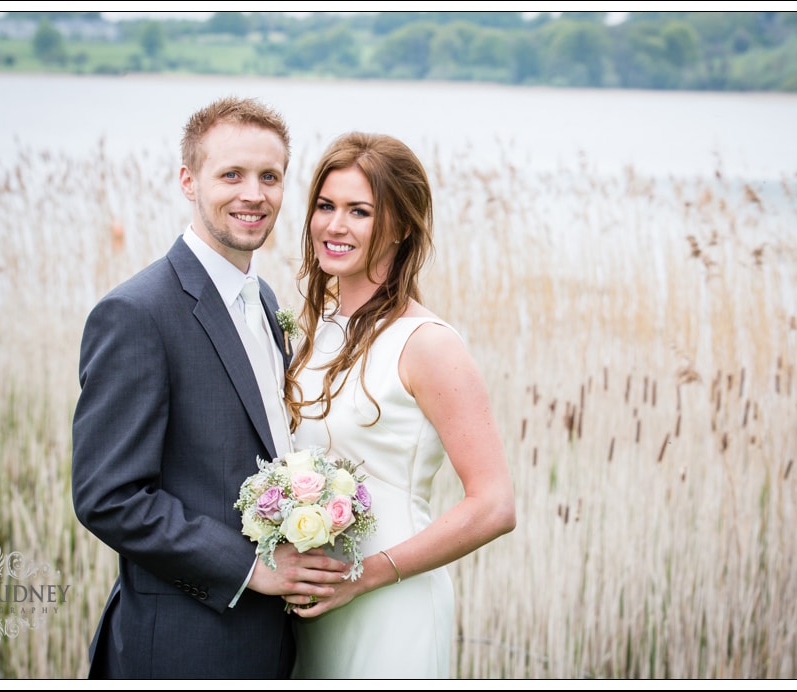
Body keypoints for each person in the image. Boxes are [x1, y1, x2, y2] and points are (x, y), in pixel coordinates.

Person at [71, 96, 348, 679]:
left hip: (271, 644)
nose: (254, 194)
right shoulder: (137, 313)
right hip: (183, 645)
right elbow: (109, 496)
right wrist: (250, 568)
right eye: (232, 175)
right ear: (188, 181)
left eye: (269, 176)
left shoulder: (266, 301)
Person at [281, 132, 517, 678]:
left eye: (359, 211)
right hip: (312, 605)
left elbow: (494, 504)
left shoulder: (428, 343)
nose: (334, 226)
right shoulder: (317, 334)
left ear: (402, 226)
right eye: (325, 206)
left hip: (390, 602)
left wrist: (367, 575)